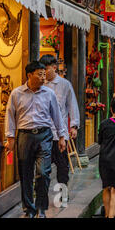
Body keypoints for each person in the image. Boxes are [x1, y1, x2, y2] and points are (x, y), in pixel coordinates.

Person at [4, 61, 67, 218]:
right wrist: (10, 138)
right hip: (24, 136)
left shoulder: (49, 94)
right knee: (25, 174)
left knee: (43, 173)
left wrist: (61, 136)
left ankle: (41, 208)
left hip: (44, 136)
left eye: (44, 74)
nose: (43, 77)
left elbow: (57, 116)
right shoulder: (16, 93)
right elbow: (10, 116)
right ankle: (29, 210)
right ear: (29, 75)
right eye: (40, 74)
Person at [40, 54, 80, 192]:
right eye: (42, 69)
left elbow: (72, 105)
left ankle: (62, 195)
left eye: (46, 69)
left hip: (59, 135)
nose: (44, 72)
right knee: (42, 168)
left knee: (62, 167)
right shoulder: (40, 84)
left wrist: (74, 125)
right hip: (43, 134)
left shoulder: (65, 84)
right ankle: (40, 194)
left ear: (54, 68)